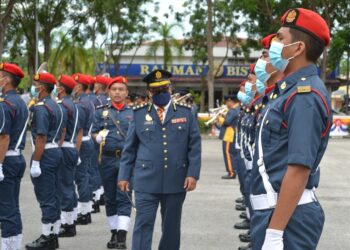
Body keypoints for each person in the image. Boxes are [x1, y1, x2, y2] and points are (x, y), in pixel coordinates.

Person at [250, 8, 332, 250]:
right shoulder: (289, 93)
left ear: (298, 48)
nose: (274, 44)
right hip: (276, 212)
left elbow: (299, 169)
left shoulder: (305, 96)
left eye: (280, 38)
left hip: (289, 218)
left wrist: (275, 233)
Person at [118, 69, 201, 250]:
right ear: (149, 92)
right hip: (145, 180)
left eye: (164, 89)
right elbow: (129, 149)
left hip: (176, 179)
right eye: (156, 91)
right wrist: (123, 176)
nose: (161, 93)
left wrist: (193, 174)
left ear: (170, 89)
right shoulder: (139, 115)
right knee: (143, 224)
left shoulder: (185, 113)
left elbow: (194, 147)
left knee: (171, 227)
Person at [92, 76, 133, 249]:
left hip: (126, 160)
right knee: (110, 197)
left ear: (126, 93)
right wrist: (97, 137)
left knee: (124, 196)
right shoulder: (100, 111)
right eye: (114, 89)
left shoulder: (134, 113)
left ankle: (122, 237)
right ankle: (114, 233)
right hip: (107, 159)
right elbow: (93, 132)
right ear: (109, 92)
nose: (117, 92)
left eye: (121, 89)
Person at [26, 72, 63, 250]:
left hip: (45, 153)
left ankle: (47, 237)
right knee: (54, 195)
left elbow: (41, 137)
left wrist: (35, 162)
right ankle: (53, 233)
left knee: (46, 196)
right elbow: (62, 132)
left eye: (36, 83)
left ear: (41, 87)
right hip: (55, 151)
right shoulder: (55, 105)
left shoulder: (42, 108)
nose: (34, 86)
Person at [0, 63, 28, 250]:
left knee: (6, 208)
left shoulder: (5, 104)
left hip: (7, 159)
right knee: (12, 206)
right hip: (16, 158)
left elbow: (4, 137)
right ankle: (14, 245)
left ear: (7, 80)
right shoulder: (20, 102)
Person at [53, 75, 80, 237]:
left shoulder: (63, 105)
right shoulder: (74, 105)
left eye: (57, 85)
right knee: (68, 185)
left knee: (64, 186)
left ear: (62, 88)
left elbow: (62, 130)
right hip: (71, 147)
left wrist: (58, 146)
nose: (56, 87)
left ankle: (67, 224)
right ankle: (71, 220)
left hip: (64, 147)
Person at [72, 73, 95, 225]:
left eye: (74, 84)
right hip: (87, 141)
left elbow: (79, 130)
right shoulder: (88, 101)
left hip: (82, 142)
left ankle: (84, 211)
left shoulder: (81, 104)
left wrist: (75, 151)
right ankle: (85, 209)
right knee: (84, 175)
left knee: (81, 177)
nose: (73, 87)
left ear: (79, 86)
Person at [217, 95, 240, 179]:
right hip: (232, 134)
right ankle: (233, 170)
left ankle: (231, 172)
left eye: (227, 102)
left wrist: (219, 118)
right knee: (232, 154)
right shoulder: (237, 108)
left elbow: (227, 122)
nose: (226, 104)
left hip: (229, 135)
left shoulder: (233, 110)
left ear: (231, 101)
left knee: (228, 154)